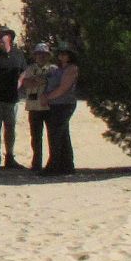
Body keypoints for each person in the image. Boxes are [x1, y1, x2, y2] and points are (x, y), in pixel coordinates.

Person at [0, 24, 27, 169]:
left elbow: (24, 70)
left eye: (1, 36)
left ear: (9, 37)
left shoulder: (18, 54)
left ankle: (10, 157)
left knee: (11, 128)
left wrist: (20, 82)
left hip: (12, 98)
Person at [40, 43, 81, 176]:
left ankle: (54, 165)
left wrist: (48, 97)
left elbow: (63, 88)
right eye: (60, 54)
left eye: (65, 54)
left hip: (65, 104)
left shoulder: (72, 68)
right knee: (62, 135)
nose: (62, 56)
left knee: (55, 135)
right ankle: (66, 165)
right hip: (55, 104)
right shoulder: (57, 69)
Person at [18, 42, 56, 172]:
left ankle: (53, 162)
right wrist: (37, 81)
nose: (41, 57)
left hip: (49, 106)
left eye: (44, 54)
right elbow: (26, 83)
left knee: (52, 136)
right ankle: (36, 163)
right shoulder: (30, 68)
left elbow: (55, 83)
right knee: (36, 137)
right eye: (39, 54)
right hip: (34, 106)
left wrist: (37, 81)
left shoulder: (53, 69)